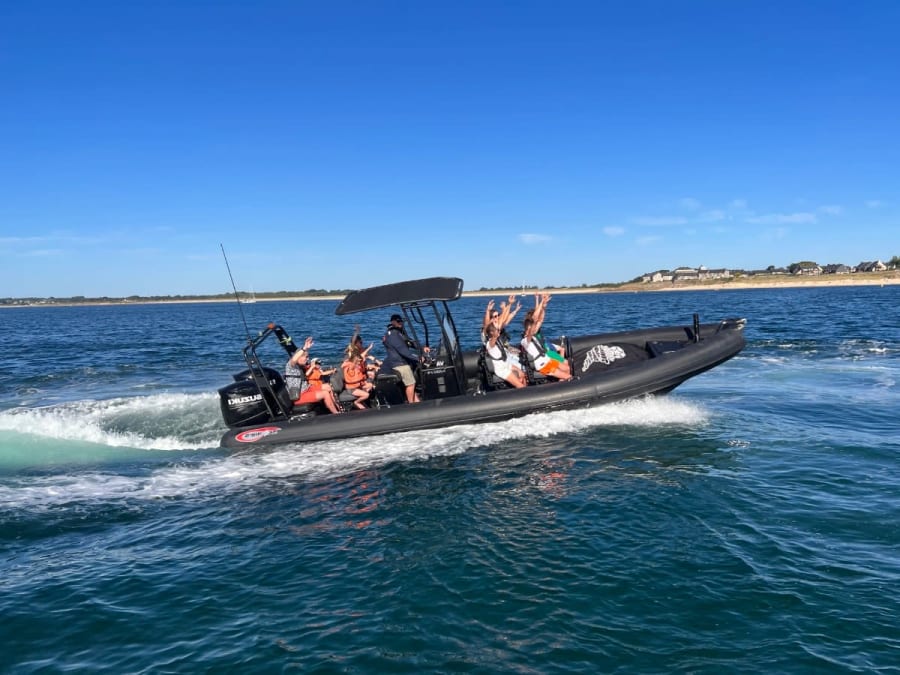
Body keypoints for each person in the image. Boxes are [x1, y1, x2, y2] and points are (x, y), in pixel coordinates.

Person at [521, 293, 573, 381]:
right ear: (527, 330)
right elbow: (534, 320)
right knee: (568, 376)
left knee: (567, 368)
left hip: (547, 359)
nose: (533, 329)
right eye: (531, 329)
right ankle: (564, 384)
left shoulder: (533, 335)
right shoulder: (525, 340)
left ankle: (562, 384)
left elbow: (539, 320)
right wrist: (540, 301)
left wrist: (544, 306)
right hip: (542, 364)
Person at [284, 337, 342, 414]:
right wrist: (304, 348)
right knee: (325, 393)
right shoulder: (291, 366)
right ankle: (336, 414)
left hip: (308, 389)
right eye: (306, 357)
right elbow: (293, 359)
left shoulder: (300, 366)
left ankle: (339, 408)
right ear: (299, 357)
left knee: (328, 386)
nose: (308, 359)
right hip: (300, 396)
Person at [381, 313, 428, 403]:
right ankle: (411, 404)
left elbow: (409, 342)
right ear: (393, 322)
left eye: (401, 321)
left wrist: (422, 347)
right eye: (398, 321)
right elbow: (403, 350)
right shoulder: (393, 335)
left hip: (401, 361)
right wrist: (418, 358)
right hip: (399, 364)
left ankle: (416, 400)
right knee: (411, 383)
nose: (401, 323)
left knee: (414, 377)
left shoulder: (399, 333)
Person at [483, 321, 527, 388]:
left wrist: (498, 326)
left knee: (522, 375)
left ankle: (524, 390)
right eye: (497, 330)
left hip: (506, 364)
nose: (499, 331)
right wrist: (495, 327)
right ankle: (523, 391)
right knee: (519, 385)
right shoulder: (490, 344)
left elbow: (500, 327)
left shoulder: (498, 341)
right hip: (501, 369)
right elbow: (494, 337)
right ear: (492, 333)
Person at [341, 345, 374, 410]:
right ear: (355, 361)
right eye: (358, 361)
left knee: (370, 385)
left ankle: (363, 400)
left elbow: (360, 357)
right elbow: (348, 364)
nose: (359, 363)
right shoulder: (350, 366)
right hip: (352, 389)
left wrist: (369, 348)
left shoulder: (355, 365)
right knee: (366, 395)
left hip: (357, 386)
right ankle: (356, 402)